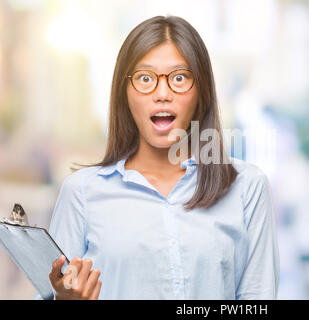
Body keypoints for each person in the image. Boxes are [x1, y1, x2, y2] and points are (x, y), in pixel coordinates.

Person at [34, 15, 279, 300]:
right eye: (145, 78)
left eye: (179, 78)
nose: (162, 94)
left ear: (201, 92)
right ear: (124, 92)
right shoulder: (81, 193)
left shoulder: (246, 187)